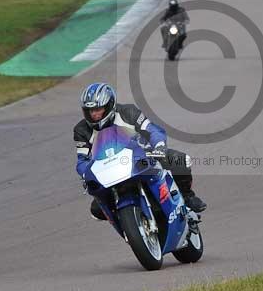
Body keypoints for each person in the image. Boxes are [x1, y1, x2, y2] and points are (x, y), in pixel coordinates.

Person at [74, 82, 207, 220]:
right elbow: (82, 159)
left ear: (109, 105)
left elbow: (152, 130)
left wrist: (159, 146)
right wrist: (86, 173)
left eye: (98, 109)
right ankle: (127, 224)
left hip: (142, 159)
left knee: (181, 160)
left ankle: (187, 196)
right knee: (96, 209)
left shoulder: (128, 112)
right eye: (90, 111)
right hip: (109, 170)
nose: (94, 114)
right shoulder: (81, 130)